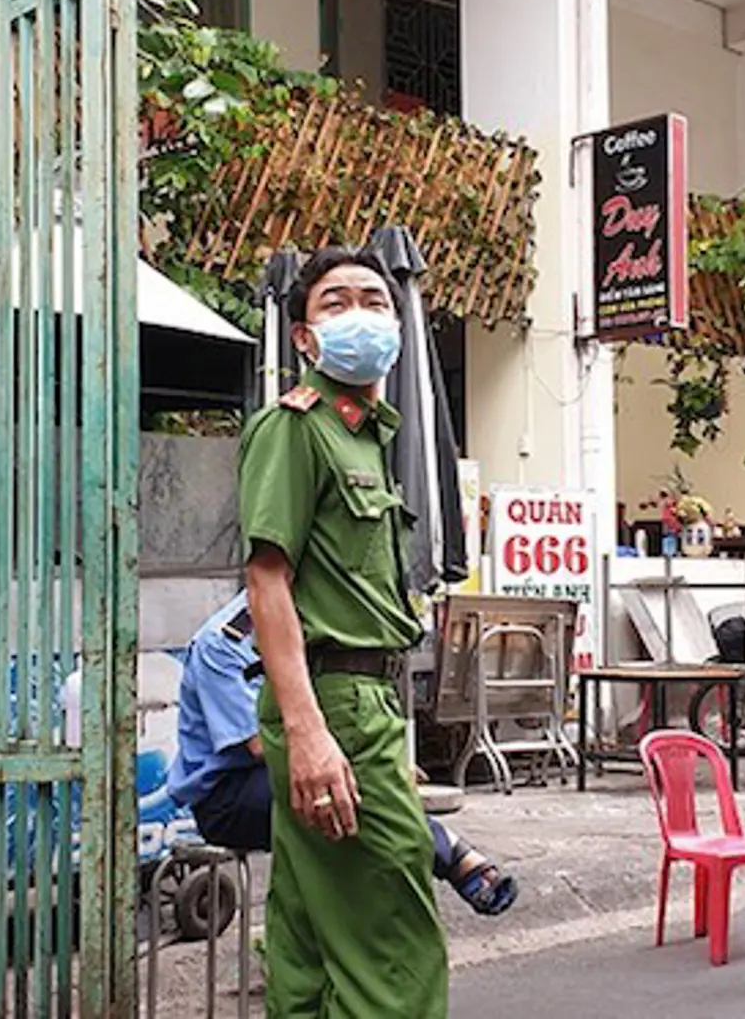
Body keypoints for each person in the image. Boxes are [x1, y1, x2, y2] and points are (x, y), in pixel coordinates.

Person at [238, 246, 447, 1017]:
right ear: (302, 337)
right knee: (391, 946)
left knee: (310, 940)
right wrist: (309, 727)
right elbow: (267, 580)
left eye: (374, 299)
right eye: (335, 302)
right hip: (334, 701)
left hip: (359, 704)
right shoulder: (296, 428)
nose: (359, 313)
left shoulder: (368, 438)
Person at [165, 590, 517, 916]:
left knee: (357, 814)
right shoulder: (223, 644)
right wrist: (371, 773)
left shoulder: (314, 630)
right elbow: (262, 745)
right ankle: (451, 855)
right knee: (348, 794)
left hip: (281, 775)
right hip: (229, 796)